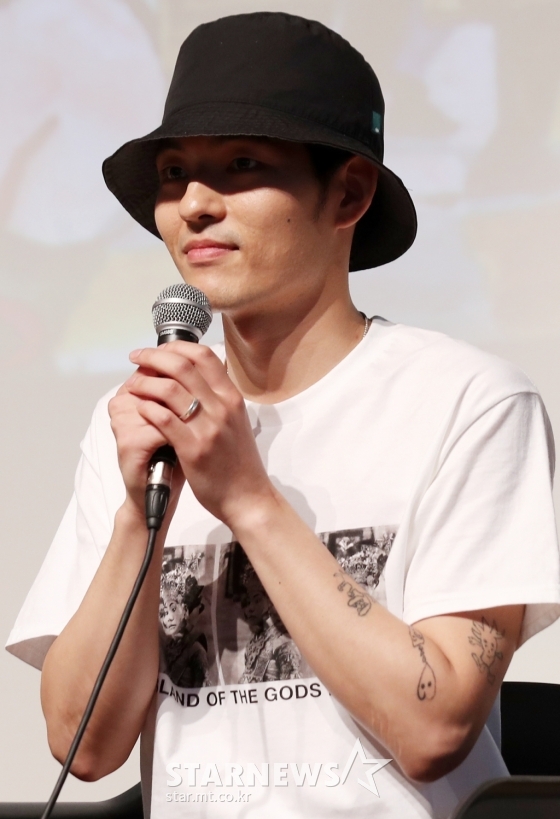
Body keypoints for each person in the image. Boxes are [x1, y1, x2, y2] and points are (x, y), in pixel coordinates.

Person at [5, 11, 560, 819]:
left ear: (349, 192)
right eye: (173, 173)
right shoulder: (139, 417)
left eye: (242, 165)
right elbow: (83, 745)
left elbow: (434, 726)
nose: (194, 204)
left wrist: (247, 498)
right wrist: (136, 515)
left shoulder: (468, 403)